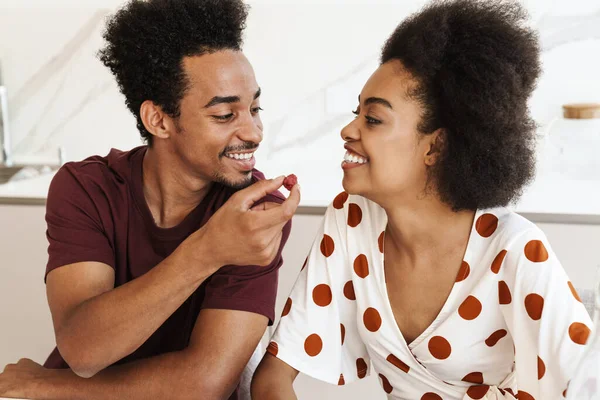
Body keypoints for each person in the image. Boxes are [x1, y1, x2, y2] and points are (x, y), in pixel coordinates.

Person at [251, 1, 591, 399]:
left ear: (436, 145)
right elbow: (273, 374)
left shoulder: (514, 250)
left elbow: (585, 385)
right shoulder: (351, 220)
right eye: (356, 113)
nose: (348, 129)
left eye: (373, 119)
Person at [0, 0, 299, 399]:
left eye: (255, 108)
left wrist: (48, 386)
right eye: (226, 115)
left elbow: (206, 382)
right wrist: (207, 251)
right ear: (158, 120)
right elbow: (84, 350)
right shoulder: (87, 188)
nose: (255, 132)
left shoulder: (256, 211)